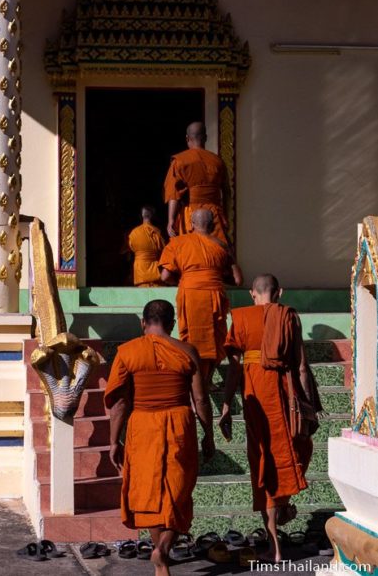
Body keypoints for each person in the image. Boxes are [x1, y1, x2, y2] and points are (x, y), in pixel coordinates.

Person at [104, 299, 215, 576]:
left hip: (142, 425)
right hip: (179, 422)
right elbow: (200, 399)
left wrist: (113, 441)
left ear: (143, 323)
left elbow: (118, 404)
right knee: (178, 490)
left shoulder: (128, 352)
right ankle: (163, 548)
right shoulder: (187, 351)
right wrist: (208, 434)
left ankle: (161, 556)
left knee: (150, 492)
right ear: (172, 323)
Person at [219, 274, 317, 563]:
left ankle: (274, 543)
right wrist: (309, 404)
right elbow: (301, 366)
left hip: (254, 394)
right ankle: (283, 506)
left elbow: (233, 369)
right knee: (289, 451)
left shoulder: (240, 318)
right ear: (280, 292)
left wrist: (226, 405)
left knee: (262, 459)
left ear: (252, 294)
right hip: (285, 392)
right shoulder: (289, 316)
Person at [159, 209, 243, 388]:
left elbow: (165, 276)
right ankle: (208, 380)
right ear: (213, 225)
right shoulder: (221, 245)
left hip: (190, 293)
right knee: (215, 339)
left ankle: (194, 380)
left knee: (192, 337)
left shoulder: (178, 243)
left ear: (191, 224)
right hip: (215, 294)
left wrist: (184, 279)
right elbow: (237, 280)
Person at [163, 121, 231, 244]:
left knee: (191, 252)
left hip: (191, 214)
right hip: (214, 216)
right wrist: (224, 216)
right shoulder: (218, 162)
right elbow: (226, 192)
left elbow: (174, 193)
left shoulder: (180, 161)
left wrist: (171, 220)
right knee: (217, 251)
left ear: (187, 138)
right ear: (205, 138)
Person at [128, 206, 165, 287]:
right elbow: (163, 251)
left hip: (140, 274)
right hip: (156, 274)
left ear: (141, 216)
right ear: (153, 216)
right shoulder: (156, 232)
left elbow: (132, 248)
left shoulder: (134, 233)